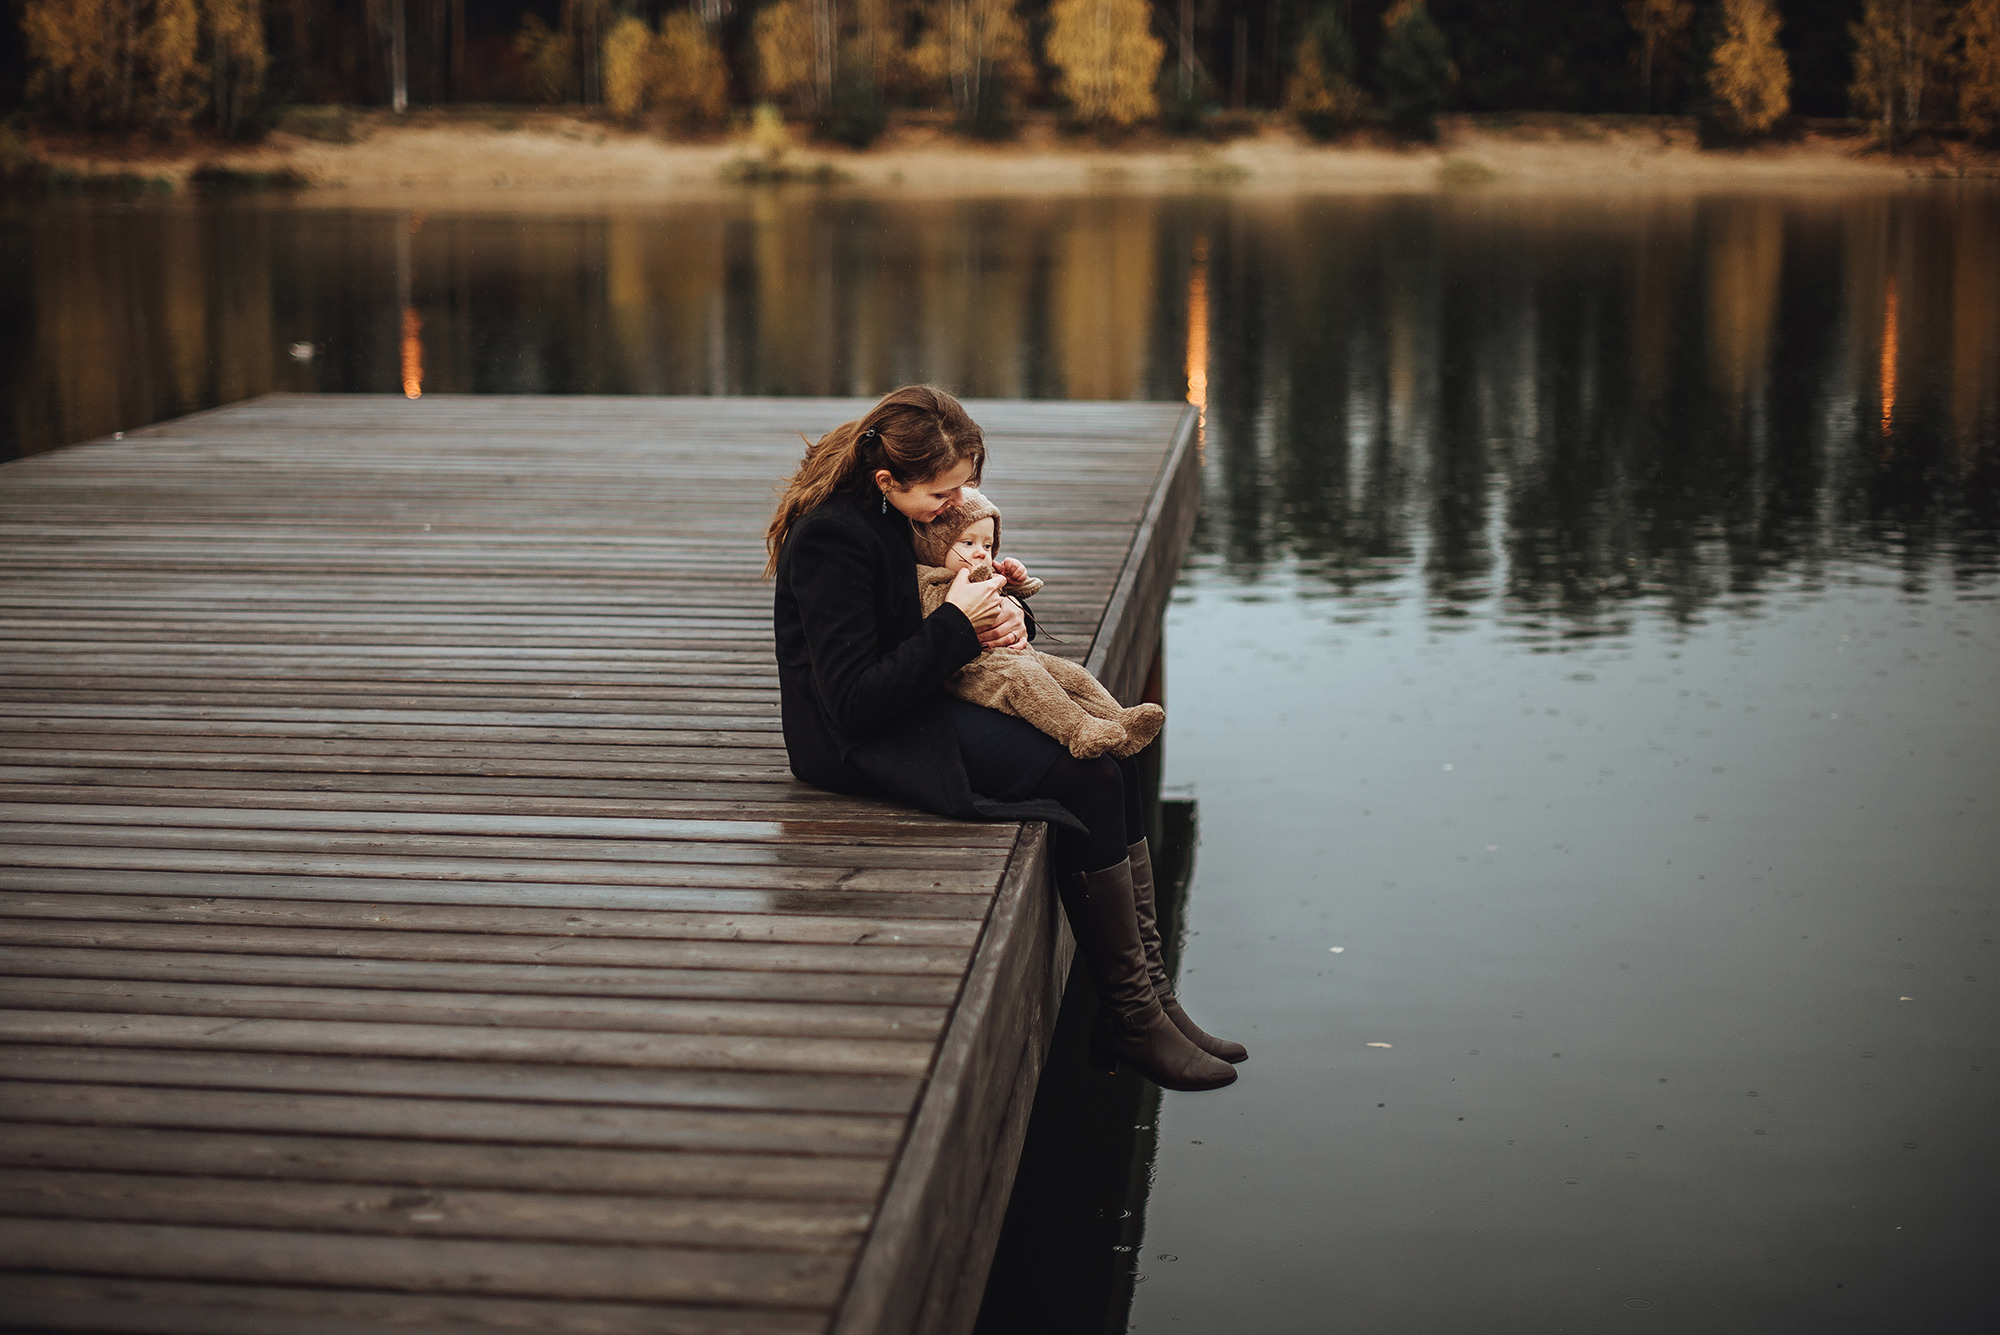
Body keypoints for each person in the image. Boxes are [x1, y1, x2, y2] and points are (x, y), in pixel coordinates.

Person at [766, 385, 1245, 1092]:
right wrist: (959, 625)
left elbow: (937, 595)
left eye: (968, 486)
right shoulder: (832, 538)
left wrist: (1001, 604)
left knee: (1112, 750)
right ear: (887, 480)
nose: (958, 504)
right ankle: (1130, 1015)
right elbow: (852, 702)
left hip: (920, 697)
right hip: (857, 741)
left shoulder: (899, 512)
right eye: (945, 490)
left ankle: (1155, 999)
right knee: (1086, 773)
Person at [909, 486, 1164, 761]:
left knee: (1071, 675)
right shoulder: (928, 579)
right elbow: (937, 612)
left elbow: (1014, 593)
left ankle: (1120, 719)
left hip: (1016, 654)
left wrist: (1016, 583)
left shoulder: (979, 569)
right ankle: (1078, 729)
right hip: (976, 669)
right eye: (967, 543)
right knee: (1030, 684)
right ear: (936, 543)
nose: (981, 553)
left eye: (986, 545)